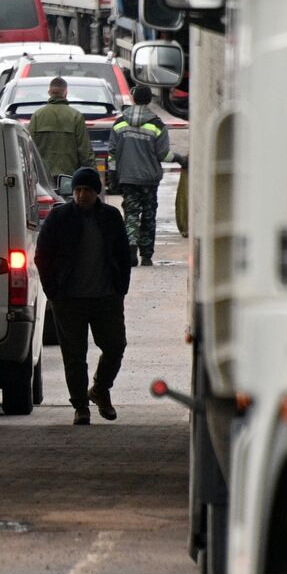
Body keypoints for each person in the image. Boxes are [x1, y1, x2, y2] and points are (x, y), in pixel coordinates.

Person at [34, 167, 131, 425]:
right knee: (74, 355)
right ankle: (80, 405)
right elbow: (42, 255)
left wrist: (121, 288)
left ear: (95, 192)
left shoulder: (111, 217)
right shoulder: (59, 217)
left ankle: (100, 390)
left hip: (106, 297)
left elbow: (123, 253)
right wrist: (52, 291)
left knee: (115, 345)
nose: (81, 195)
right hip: (69, 299)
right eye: (77, 190)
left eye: (86, 190)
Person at [107, 85, 187, 266]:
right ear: (150, 100)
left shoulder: (120, 123)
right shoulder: (156, 124)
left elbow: (111, 152)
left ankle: (131, 248)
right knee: (149, 216)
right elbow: (163, 154)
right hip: (149, 180)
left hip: (127, 177)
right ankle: (147, 256)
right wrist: (181, 159)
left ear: (133, 99)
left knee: (132, 213)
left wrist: (113, 175)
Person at [28, 77, 94, 185]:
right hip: (69, 179)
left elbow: (29, 148)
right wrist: (91, 175)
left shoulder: (37, 116)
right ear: (66, 93)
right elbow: (85, 152)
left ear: (49, 92)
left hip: (43, 179)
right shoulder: (75, 116)